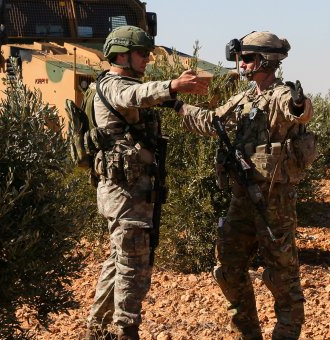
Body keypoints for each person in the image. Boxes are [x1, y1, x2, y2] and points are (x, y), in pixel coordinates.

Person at [177, 31, 315, 340]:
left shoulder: (281, 95)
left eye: (248, 58)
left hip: (272, 201)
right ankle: (247, 333)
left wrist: (298, 105)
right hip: (242, 200)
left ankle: (286, 333)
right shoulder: (244, 98)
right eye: (241, 57)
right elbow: (213, 122)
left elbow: (301, 111)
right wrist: (178, 107)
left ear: (266, 60)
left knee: (282, 276)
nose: (242, 63)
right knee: (226, 267)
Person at [83, 25, 208, 340]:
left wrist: (180, 101)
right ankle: (125, 329)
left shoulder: (124, 84)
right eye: (142, 53)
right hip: (125, 195)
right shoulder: (115, 86)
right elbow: (134, 95)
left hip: (131, 194)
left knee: (119, 260)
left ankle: (97, 328)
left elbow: (149, 99)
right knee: (133, 266)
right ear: (121, 55)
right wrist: (172, 85)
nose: (147, 59)